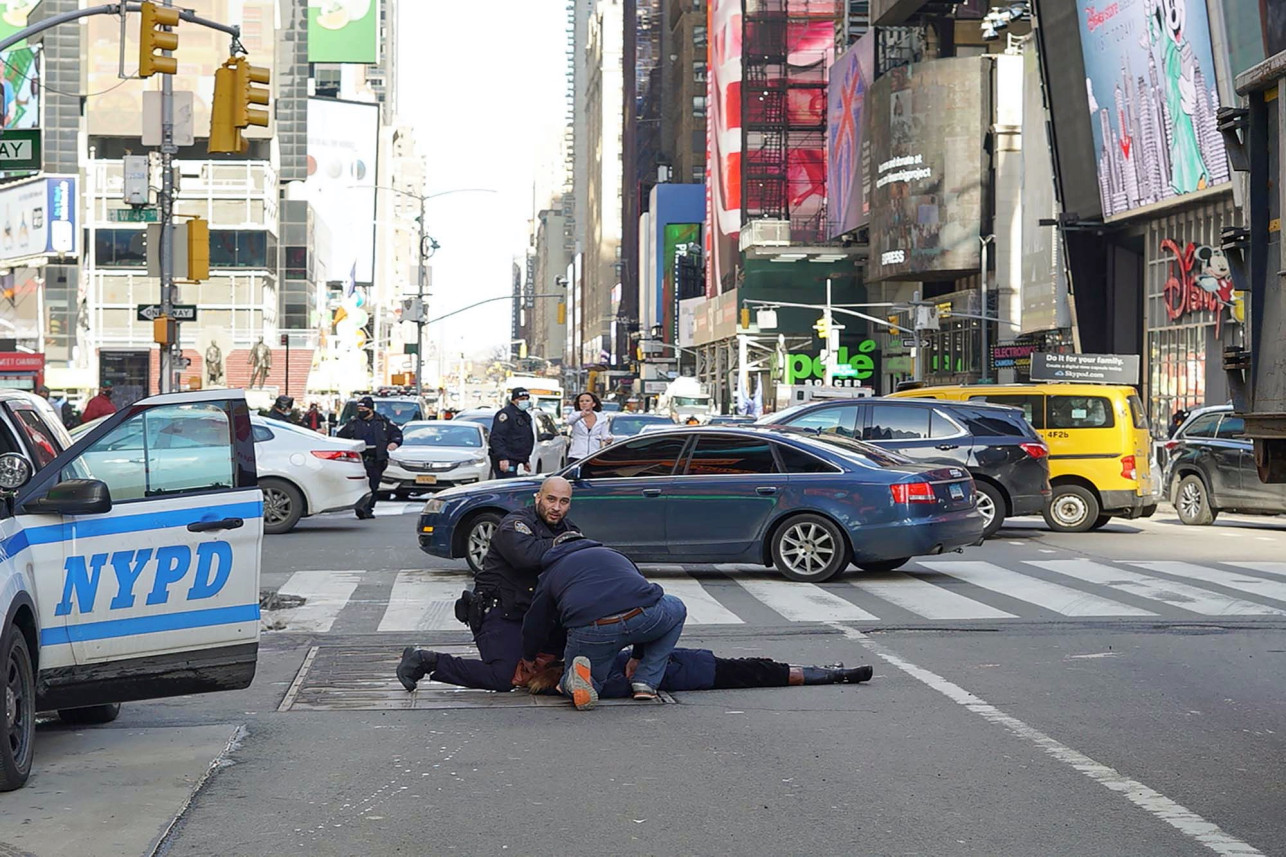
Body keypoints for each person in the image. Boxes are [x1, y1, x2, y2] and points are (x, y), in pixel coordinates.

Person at [397, 476, 579, 692]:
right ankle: (426, 661)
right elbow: (526, 556)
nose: (556, 507)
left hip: (538, 616)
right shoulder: (516, 524)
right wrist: (562, 544)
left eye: (564, 501)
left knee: (570, 662)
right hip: (501, 613)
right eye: (551, 499)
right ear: (538, 497)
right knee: (503, 677)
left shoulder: (569, 529)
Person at [516, 533, 687, 710]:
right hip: (643, 617)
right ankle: (646, 681)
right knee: (676, 607)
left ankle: (572, 683)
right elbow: (645, 596)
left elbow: (536, 621)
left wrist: (529, 656)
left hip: (593, 629)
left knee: (589, 680)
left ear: (555, 550)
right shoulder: (614, 554)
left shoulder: (552, 573)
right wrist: (637, 656)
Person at [525, 649, 874, 698]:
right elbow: (625, 682)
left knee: (764, 667)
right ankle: (834, 676)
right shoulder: (591, 679)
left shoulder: (589, 667)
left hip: (692, 665)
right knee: (770, 672)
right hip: (693, 672)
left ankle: (827, 672)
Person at [337, 395, 403, 519]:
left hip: (377, 458)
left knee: (373, 485)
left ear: (371, 409)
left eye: (364, 410)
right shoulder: (353, 423)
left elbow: (396, 434)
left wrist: (394, 443)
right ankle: (360, 507)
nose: (361, 412)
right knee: (359, 485)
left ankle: (368, 508)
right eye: (359, 410)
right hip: (359, 459)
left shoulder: (383, 422)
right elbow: (340, 437)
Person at [489, 387, 534, 478]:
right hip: (507, 460)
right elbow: (497, 438)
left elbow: (524, 439)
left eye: (526, 399)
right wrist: (502, 458)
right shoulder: (506, 415)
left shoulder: (525, 416)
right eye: (521, 399)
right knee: (507, 486)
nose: (524, 401)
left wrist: (525, 460)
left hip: (516, 459)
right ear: (513, 400)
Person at [566, 391, 613, 463]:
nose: (584, 403)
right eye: (581, 401)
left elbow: (605, 435)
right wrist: (580, 415)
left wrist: (608, 439)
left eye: (587, 401)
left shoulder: (601, 417)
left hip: (594, 455)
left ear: (593, 404)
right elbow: (570, 421)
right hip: (576, 455)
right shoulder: (575, 415)